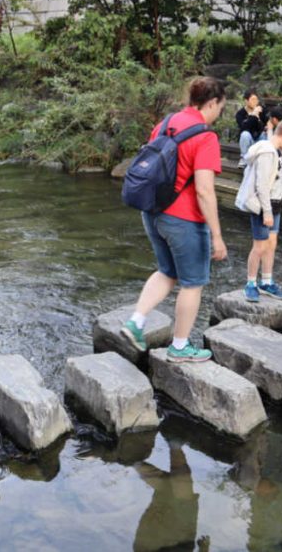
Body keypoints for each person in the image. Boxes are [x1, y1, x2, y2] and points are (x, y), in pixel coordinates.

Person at [121, 77, 228, 363]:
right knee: (193, 282)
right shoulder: (205, 137)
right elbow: (204, 191)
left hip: (153, 212)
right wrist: (217, 235)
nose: (219, 113)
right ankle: (180, 347)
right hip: (183, 219)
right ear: (212, 103)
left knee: (167, 271)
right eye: (220, 107)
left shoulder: (167, 122)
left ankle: (136, 321)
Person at [239, 117, 282, 302]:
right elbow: (261, 184)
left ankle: (266, 281)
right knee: (259, 246)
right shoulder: (268, 152)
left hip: (275, 203)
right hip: (263, 206)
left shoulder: (274, 148)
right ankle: (250, 283)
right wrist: (266, 211)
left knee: (271, 244)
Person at [235, 88, 266, 167]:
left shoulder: (261, 110)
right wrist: (253, 115)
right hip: (248, 142)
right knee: (245, 134)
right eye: (253, 99)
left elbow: (263, 127)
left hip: (259, 140)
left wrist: (259, 118)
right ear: (246, 101)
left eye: (256, 100)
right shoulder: (240, 114)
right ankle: (244, 158)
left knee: (264, 134)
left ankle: (263, 159)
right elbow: (244, 127)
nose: (255, 102)